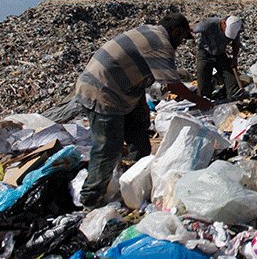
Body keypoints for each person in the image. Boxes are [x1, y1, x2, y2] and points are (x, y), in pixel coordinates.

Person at [73, 13, 212, 208]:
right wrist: (200, 101)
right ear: (176, 31)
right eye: (181, 38)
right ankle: (90, 198)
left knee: (139, 127)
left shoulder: (150, 31)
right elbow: (172, 84)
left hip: (126, 91)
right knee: (108, 148)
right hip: (103, 90)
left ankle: (135, 176)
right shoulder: (161, 43)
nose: (181, 43)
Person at [193, 15, 243, 99]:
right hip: (205, 54)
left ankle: (234, 102)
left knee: (231, 81)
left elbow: (236, 43)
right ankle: (204, 104)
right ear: (223, 23)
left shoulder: (236, 28)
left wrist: (234, 58)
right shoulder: (209, 23)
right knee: (203, 85)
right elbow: (192, 28)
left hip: (220, 54)